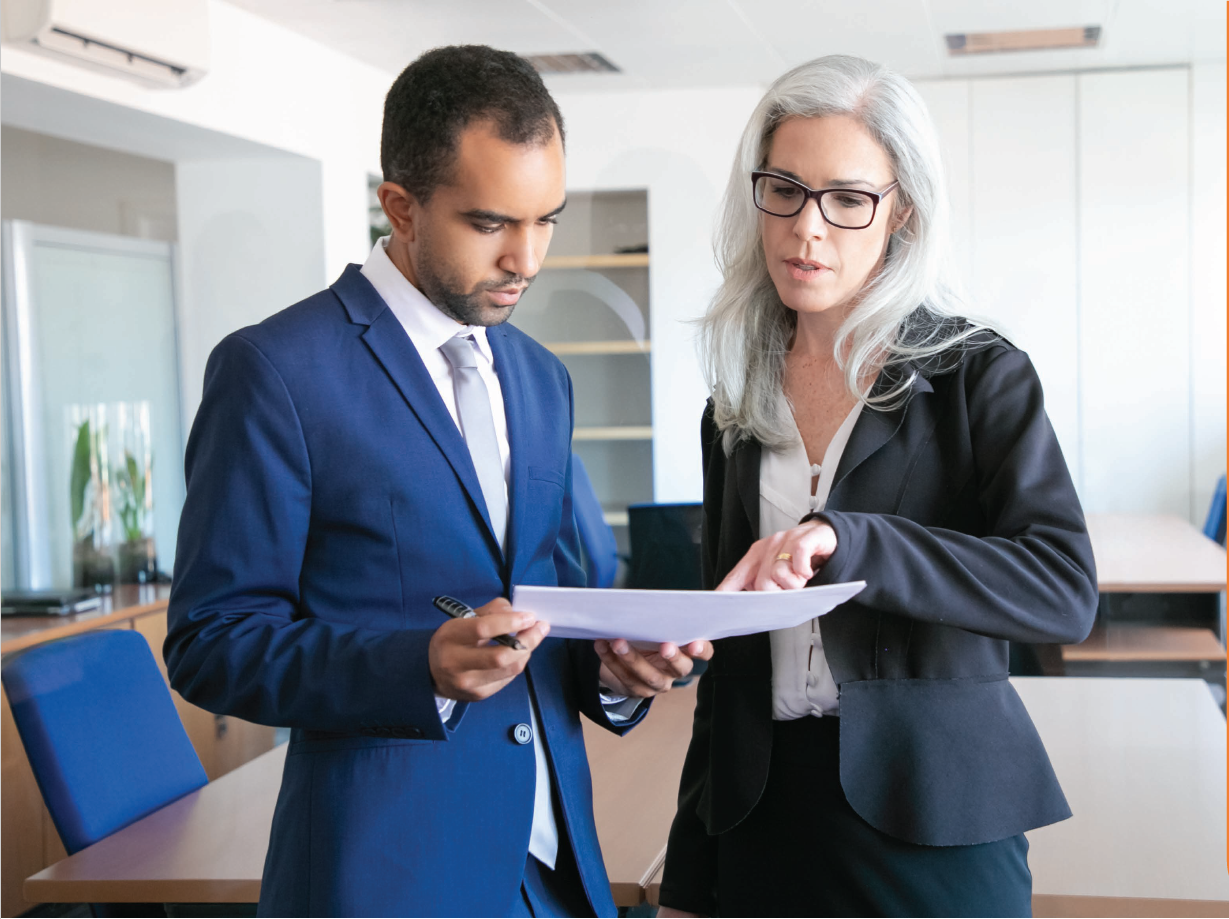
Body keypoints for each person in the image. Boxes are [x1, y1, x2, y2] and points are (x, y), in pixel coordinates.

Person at [165, 45, 708, 917]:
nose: (527, 258)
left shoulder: (540, 377)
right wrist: (415, 666)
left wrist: (615, 669)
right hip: (388, 877)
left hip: (556, 871)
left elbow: (546, 604)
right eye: (491, 223)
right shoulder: (276, 371)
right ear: (401, 207)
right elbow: (212, 640)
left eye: (546, 220)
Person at [656, 55, 1098, 918]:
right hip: (761, 818)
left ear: (901, 213)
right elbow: (732, 664)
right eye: (784, 189)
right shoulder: (736, 401)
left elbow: (1062, 590)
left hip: (934, 818)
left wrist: (852, 540)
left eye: (847, 199)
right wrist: (688, 877)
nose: (806, 228)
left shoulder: (978, 376)